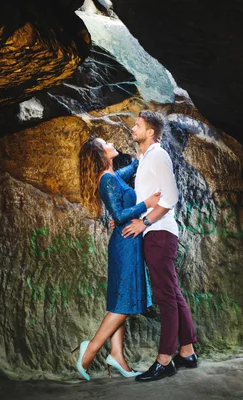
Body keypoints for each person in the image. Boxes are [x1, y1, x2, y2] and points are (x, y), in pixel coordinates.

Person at [74, 136, 160, 381]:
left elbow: (132, 168)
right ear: (101, 153)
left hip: (127, 242)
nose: (111, 142)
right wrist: (148, 203)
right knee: (125, 302)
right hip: (125, 242)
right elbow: (119, 214)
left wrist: (146, 153)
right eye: (105, 142)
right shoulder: (106, 180)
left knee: (120, 300)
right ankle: (88, 352)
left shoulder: (112, 176)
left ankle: (117, 354)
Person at [121, 110, 198, 382]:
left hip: (159, 235)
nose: (133, 128)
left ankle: (164, 360)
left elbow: (171, 196)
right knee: (174, 294)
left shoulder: (159, 155)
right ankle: (187, 350)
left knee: (165, 298)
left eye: (138, 125)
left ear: (150, 132)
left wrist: (144, 222)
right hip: (158, 235)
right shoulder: (147, 158)